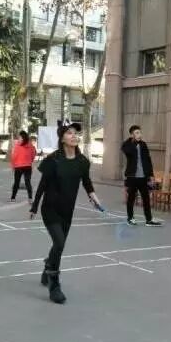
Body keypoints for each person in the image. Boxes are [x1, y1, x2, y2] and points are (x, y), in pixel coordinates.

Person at [30, 122, 102, 304]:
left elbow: (86, 182)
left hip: (67, 210)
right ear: (62, 138)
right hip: (50, 208)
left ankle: (48, 265)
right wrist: (34, 206)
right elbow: (43, 185)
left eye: (76, 133)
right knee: (59, 243)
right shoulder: (53, 160)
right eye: (69, 133)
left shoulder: (82, 162)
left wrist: (93, 196)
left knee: (58, 246)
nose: (74, 136)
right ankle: (54, 285)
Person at [121, 125, 163, 227]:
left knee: (146, 199)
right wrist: (133, 142)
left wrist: (151, 175)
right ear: (132, 135)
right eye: (137, 133)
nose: (139, 134)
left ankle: (149, 220)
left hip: (143, 177)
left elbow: (148, 160)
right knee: (131, 199)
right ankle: (130, 218)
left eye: (140, 132)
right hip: (132, 177)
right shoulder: (127, 144)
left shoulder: (143, 144)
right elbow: (127, 151)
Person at [9, 130, 37, 203]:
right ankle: (30, 198)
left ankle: (13, 198)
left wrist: (13, 165)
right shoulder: (30, 145)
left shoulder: (17, 145)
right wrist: (30, 161)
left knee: (16, 182)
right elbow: (33, 154)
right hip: (27, 166)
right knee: (28, 182)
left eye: (19, 137)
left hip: (18, 166)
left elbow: (14, 156)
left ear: (22, 137)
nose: (18, 138)